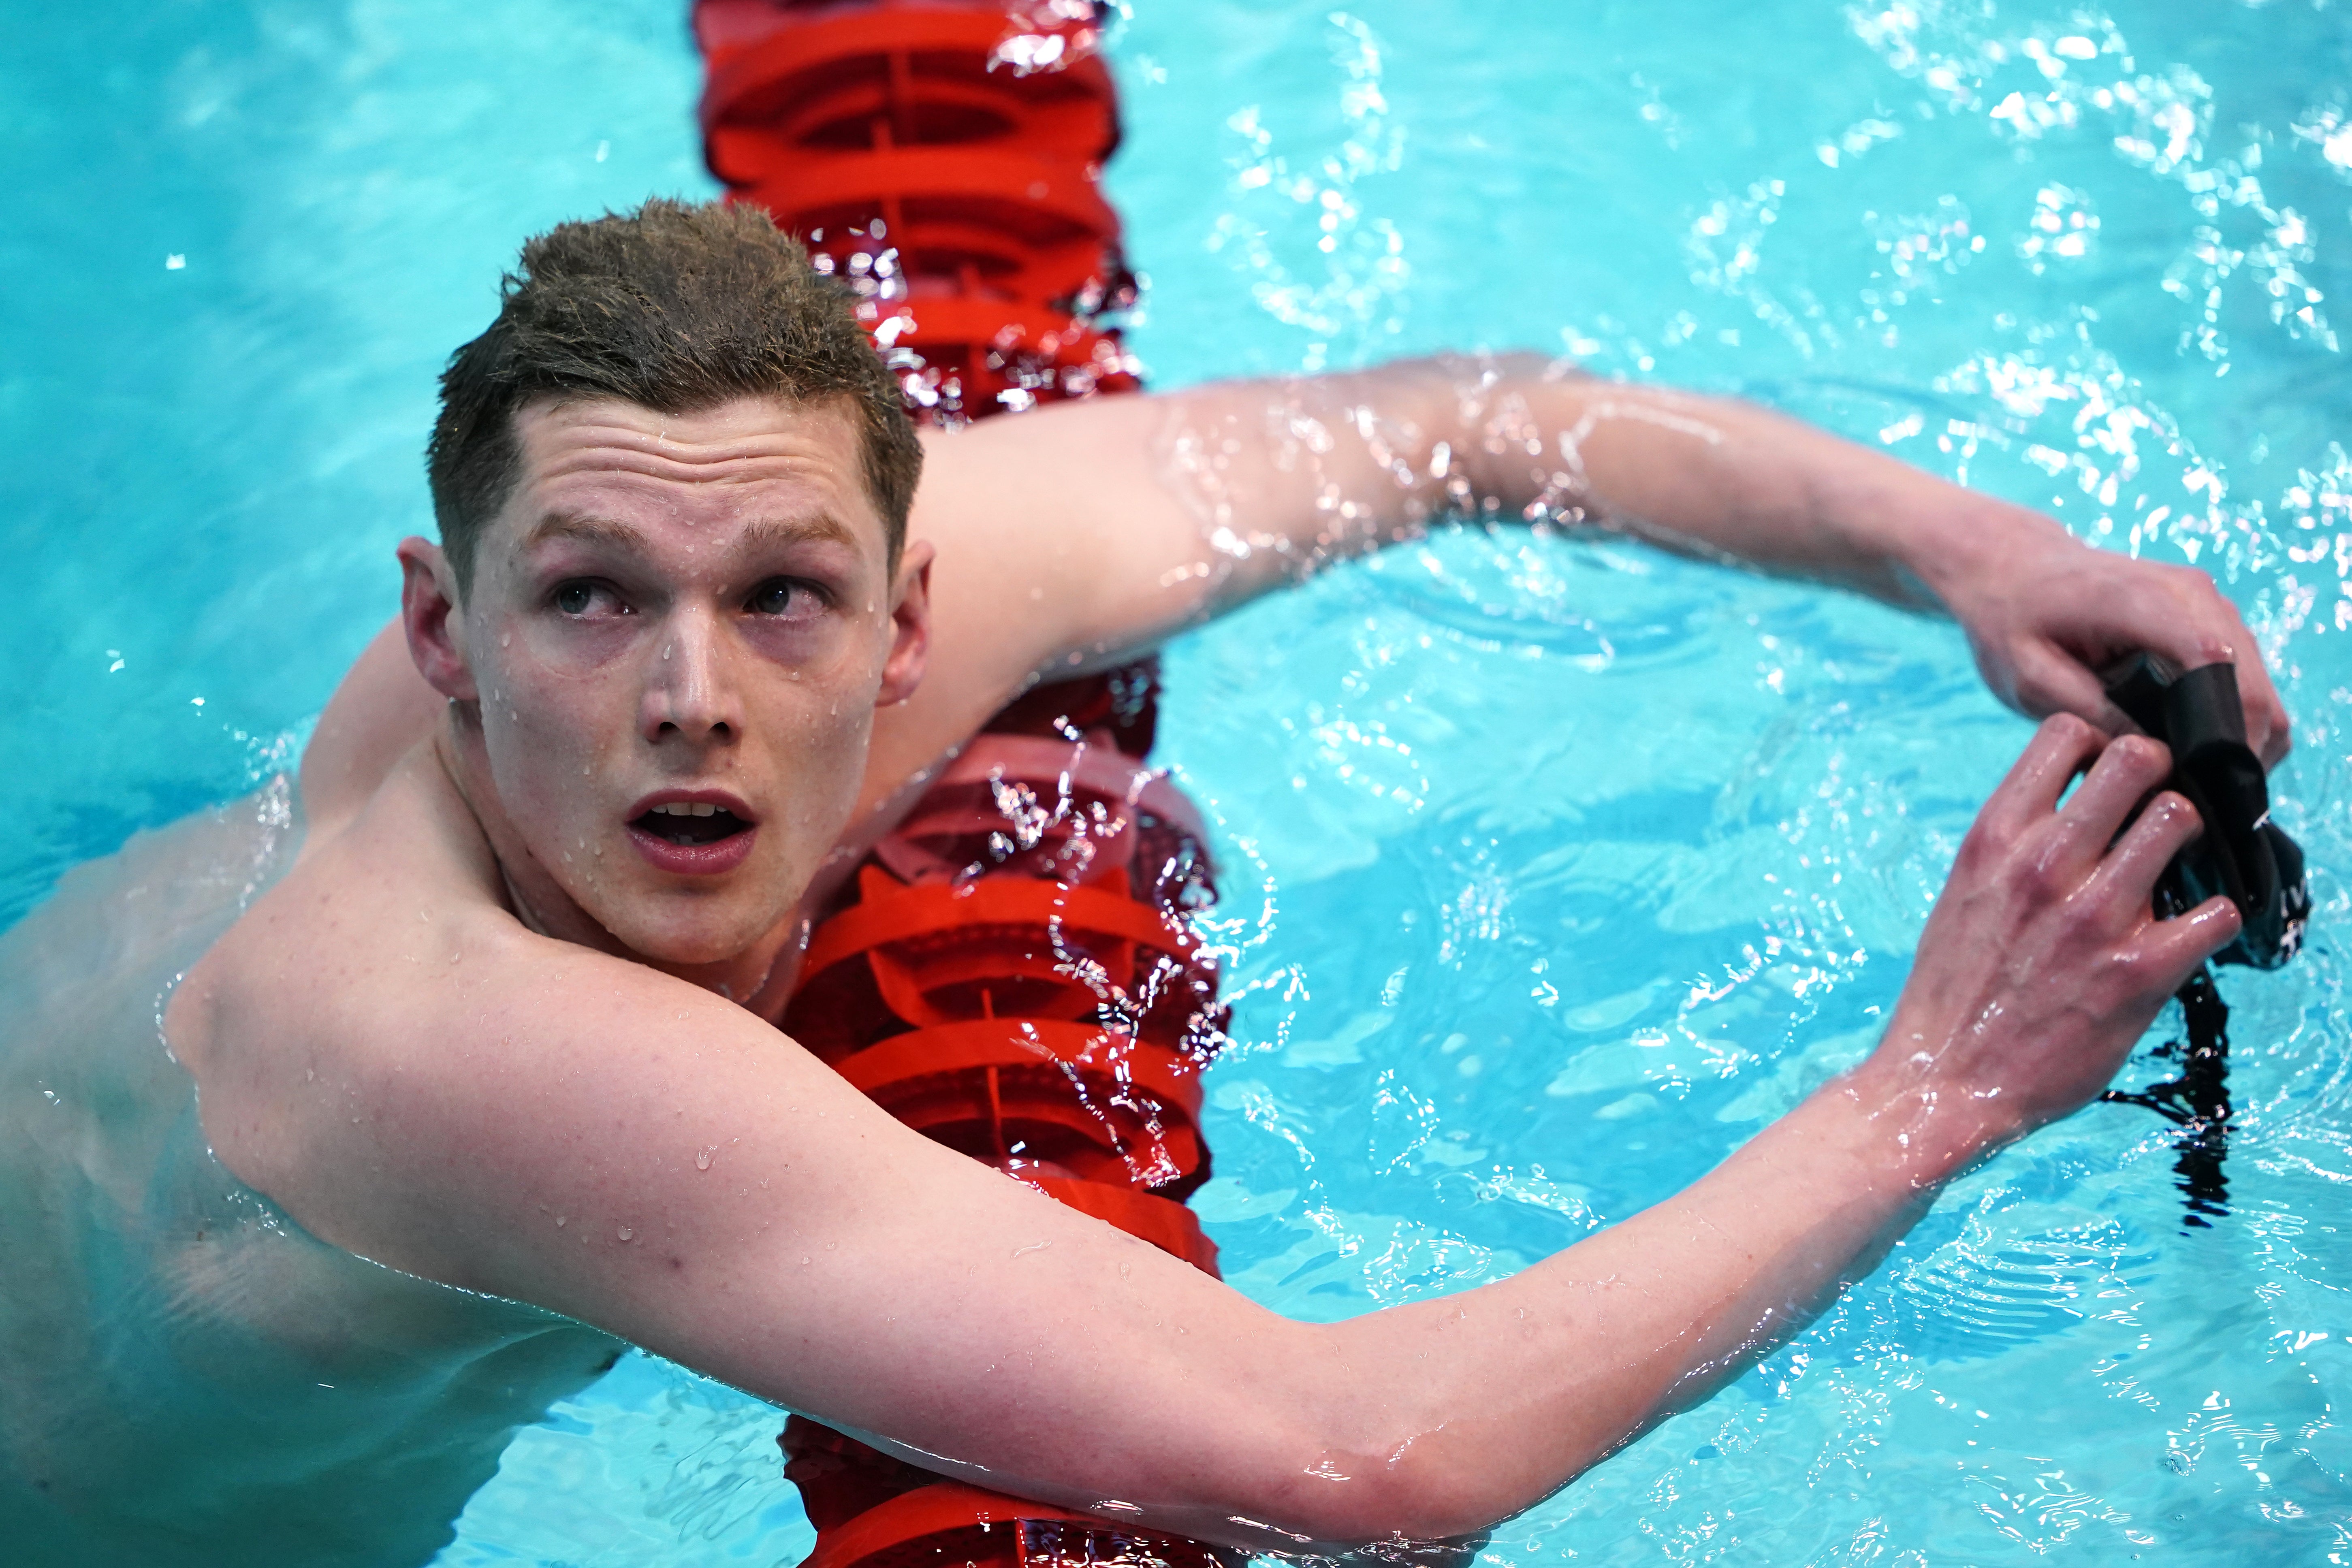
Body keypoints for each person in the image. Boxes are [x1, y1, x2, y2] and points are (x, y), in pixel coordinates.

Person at [1, 199, 2288, 1566]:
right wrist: (1940, 1087)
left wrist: (1973, 550)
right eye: (589, 601)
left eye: (781, 603)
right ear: (444, 631)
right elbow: (1361, 1464)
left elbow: (1451, 430)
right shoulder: (478, 1056)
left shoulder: (689, 636)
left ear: (907, 621)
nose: (688, 696)